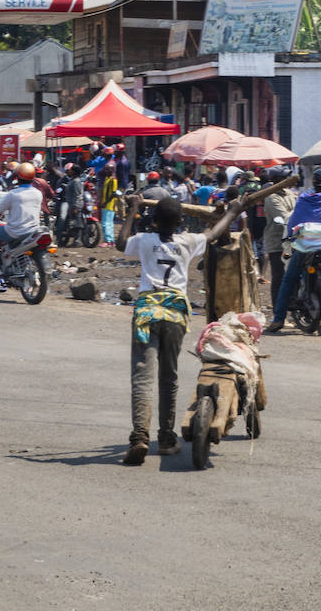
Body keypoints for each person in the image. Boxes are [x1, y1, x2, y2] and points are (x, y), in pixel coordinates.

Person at [117, 194, 244, 465]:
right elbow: (212, 235)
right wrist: (232, 212)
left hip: (147, 313)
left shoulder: (145, 240)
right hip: (175, 313)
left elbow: (120, 243)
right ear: (180, 222)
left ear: (153, 221)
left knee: (142, 377)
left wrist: (133, 209)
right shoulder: (188, 241)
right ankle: (165, 438)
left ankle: (140, 435)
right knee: (169, 376)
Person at [269, 167, 321, 331]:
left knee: (288, 280)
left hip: (306, 249)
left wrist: (290, 238)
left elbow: (293, 224)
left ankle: (278, 319)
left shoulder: (304, 199)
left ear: (314, 184)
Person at [0, 163, 43, 277]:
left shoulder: (13, 194)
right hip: (33, 231)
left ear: (18, 178)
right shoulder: (38, 194)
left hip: (16, 231)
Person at [262, 167, 299, 302]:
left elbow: (298, 210)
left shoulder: (289, 193)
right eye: (284, 177)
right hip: (277, 242)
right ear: (277, 180)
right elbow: (284, 217)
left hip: (293, 240)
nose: (287, 180)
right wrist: (296, 213)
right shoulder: (271, 197)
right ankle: (278, 310)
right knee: (278, 276)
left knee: (294, 275)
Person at [98, 164, 119, 246]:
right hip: (105, 204)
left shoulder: (113, 180)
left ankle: (108, 241)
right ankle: (110, 240)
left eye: (108, 169)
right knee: (108, 223)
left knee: (106, 223)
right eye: (105, 169)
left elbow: (113, 193)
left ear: (112, 170)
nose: (106, 171)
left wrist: (105, 202)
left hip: (109, 204)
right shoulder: (107, 178)